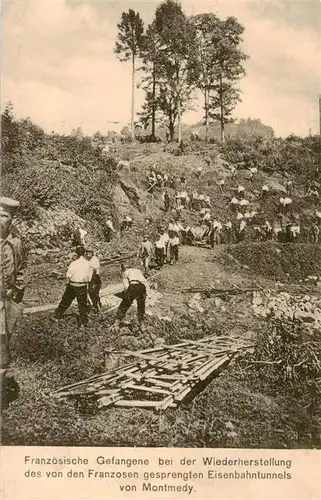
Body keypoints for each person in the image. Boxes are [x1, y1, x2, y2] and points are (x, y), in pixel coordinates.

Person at [0, 197, 25, 410]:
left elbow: (22, 269)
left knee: (2, 350)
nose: (0, 219)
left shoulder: (15, 243)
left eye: (4, 216)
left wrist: (16, 290)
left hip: (4, 304)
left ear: (11, 219)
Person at [53, 245, 92, 327]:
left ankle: (57, 316)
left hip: (72, 285)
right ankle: (83, 322)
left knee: (65, 301)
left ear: (76, 254)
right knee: (82, 304)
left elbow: (68, 276)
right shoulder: (88, 264)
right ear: (84, 253)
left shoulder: (73, 263)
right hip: (82, 285)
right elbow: (89, 277)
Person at [86, 248, 101, 313]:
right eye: (87, 253)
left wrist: (91, 282)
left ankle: (96, 307)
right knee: (90, 293)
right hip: (91, 278)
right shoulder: (88, 260)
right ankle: (92, 306)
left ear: (92, 254)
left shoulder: (94, 260)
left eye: (90, 253)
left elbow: (95, 272)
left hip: (94, 279)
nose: (88, 255)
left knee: (93, 293)